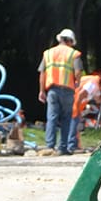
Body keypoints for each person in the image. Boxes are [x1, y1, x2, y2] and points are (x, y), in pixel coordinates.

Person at [38, 28, 83, 156]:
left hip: (52, 90)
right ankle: (63, 148)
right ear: (70, 41)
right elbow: (78, 71)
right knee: (66, 119)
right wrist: (77, 83)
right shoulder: (74, 54)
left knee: (51, 117)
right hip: (68, 90)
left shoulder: (48, 53)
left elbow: (42, 73)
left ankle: (49, 146)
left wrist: (41, 91)